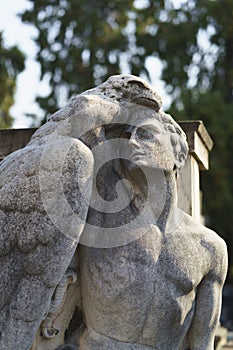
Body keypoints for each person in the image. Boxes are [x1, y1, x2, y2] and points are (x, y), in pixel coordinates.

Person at [77, 105, 228, 350]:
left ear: (178, 154)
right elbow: (84, 117)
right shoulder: (100, 222)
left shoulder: (209, 248)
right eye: (127, 138)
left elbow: (203, 343)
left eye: (146, 133)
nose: (133, 143)